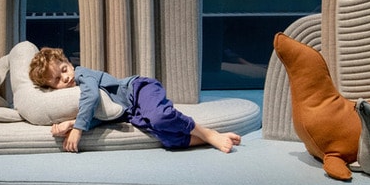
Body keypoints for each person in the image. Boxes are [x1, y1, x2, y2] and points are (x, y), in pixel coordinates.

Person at [27, 47, 242, 154]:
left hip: (138, 89)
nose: (65, 78)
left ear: (68, 63)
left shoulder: (83, 75)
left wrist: (78, 128)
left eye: (64, 70)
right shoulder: (72, 97)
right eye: (57, 80)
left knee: (160, 117)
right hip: (132, 113)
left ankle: (207, 133)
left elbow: (92, 97)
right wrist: (71, 123)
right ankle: (209, 139)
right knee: (168, 140)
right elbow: (102, 116)